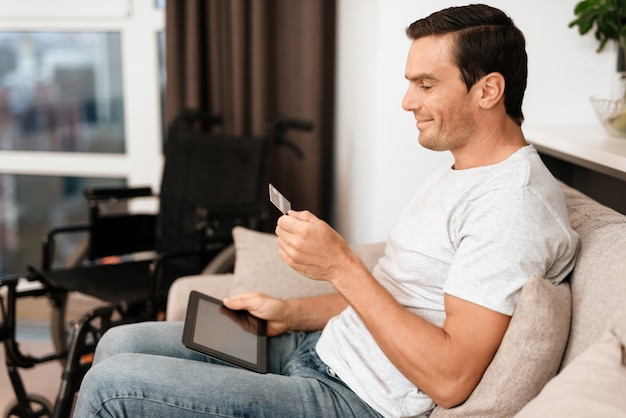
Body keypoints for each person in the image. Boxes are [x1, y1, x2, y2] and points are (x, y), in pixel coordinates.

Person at [72, 4, 579, 417]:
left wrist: (339, 264)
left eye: (426, 84)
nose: (407, 101)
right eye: (410, 82)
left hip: (352, 400)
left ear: (488, 90)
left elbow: (450, 378)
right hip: (318, 349)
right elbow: (396, 298)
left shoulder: (513, 208)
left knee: (110, 386)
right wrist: (290, 315)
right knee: (117, 343)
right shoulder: (462, 171)